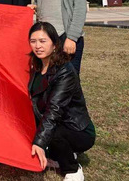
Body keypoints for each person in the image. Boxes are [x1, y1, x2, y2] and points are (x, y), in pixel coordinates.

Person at [28, 22, 95, 180]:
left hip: (77, 129)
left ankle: (73, 170)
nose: (38, 46)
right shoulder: (36, 66)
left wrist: (40, 142)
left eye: (43, 41)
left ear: (54, 45)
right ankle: (58, 153)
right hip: (55, 123)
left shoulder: (65, 72)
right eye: (33, 41)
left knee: (53, 133)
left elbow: (54, 110)